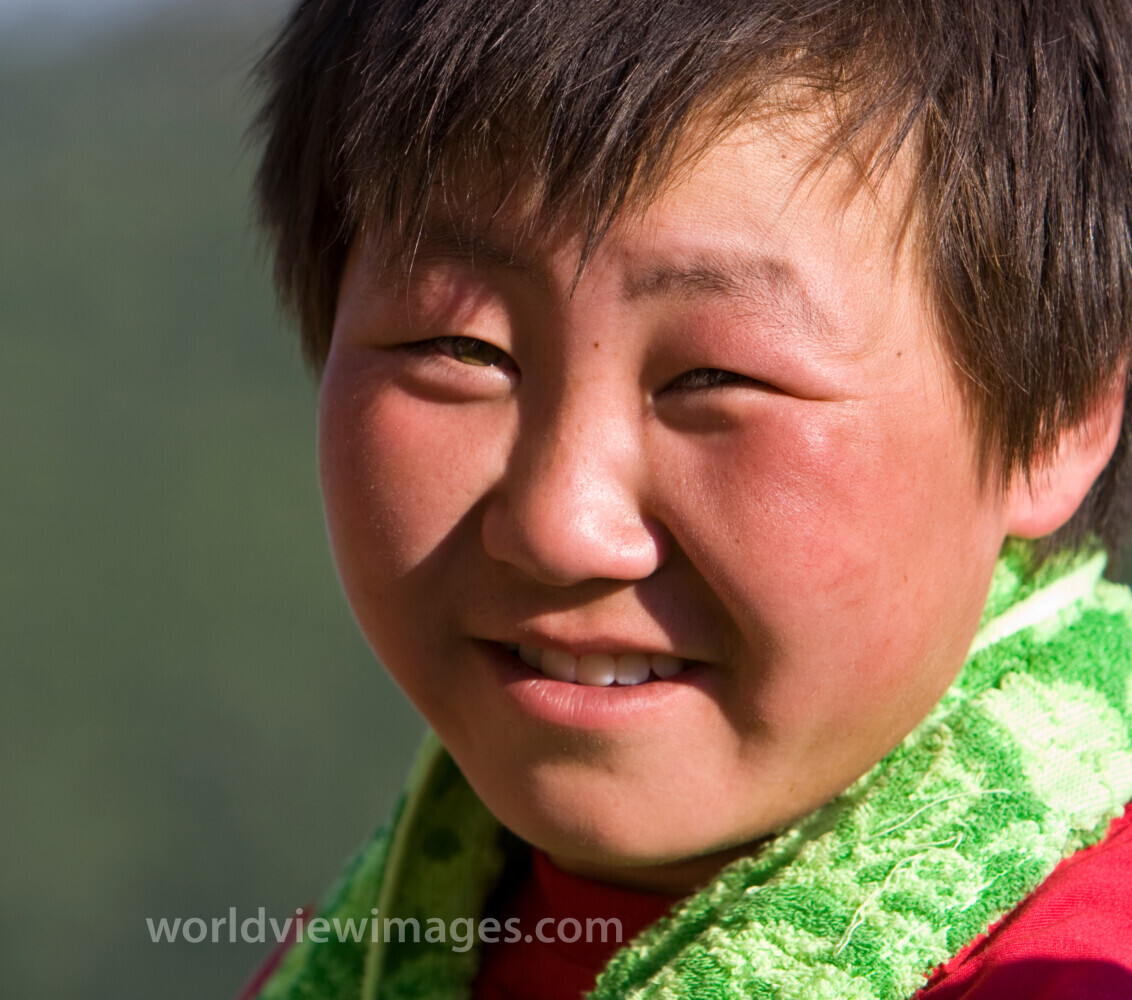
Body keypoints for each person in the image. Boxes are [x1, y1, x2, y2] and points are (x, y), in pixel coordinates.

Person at [243, 0, 1132, 996]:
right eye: (462, 347)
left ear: (1053, 419)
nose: (562, 527)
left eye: (716, 377)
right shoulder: (356, 954)